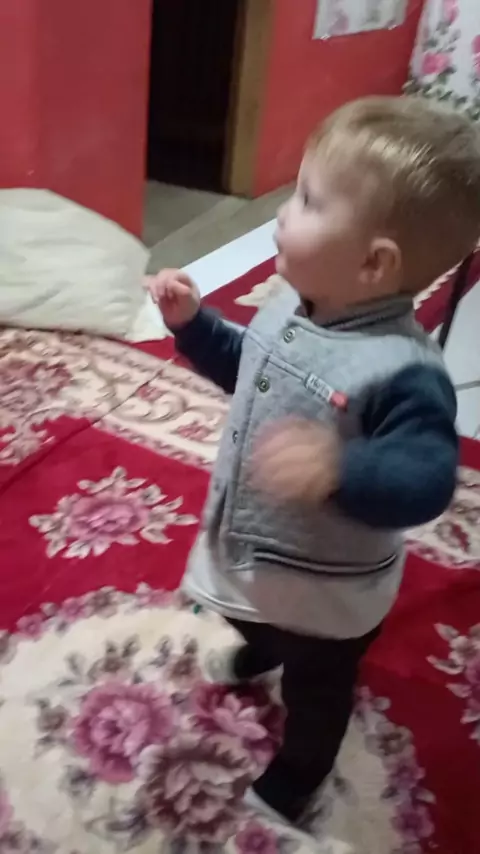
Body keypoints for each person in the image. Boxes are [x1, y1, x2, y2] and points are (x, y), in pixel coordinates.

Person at [146, 96, 480, 827]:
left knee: (317, 688)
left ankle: (300, 774)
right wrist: (193, 327)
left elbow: (429, 478)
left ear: (373, 262)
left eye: (305, 200)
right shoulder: (292, 304)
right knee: (251, 615)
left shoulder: (403, 370)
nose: (279, 215)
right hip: (261, 546)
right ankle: (262, 645)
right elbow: (247, 364)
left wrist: (342, 470)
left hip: (329, 589)